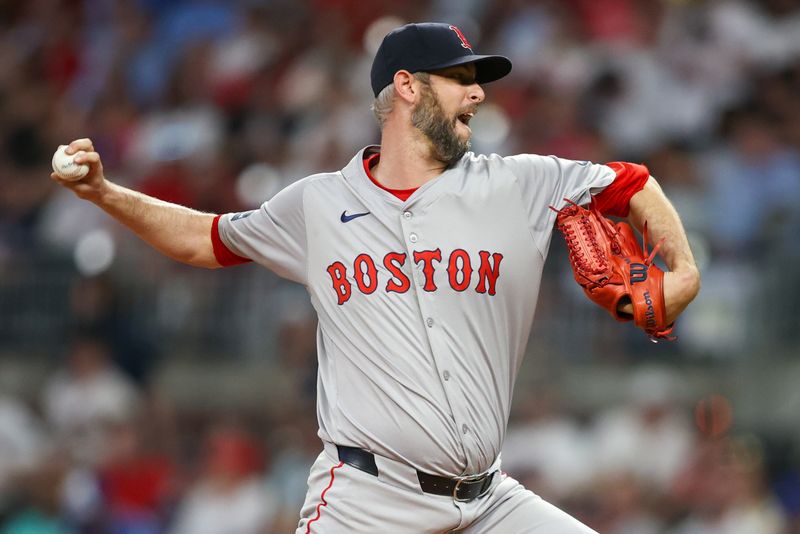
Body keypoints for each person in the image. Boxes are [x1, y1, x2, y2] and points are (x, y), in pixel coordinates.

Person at [52, 22, 700, 534]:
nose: (477, 93)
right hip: (366, 502)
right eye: (460, 80)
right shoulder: (316, 203)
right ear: (409, 88)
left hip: (490, 501)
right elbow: (205, 238)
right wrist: (107, 194)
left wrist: (683, 272)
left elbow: (631, 183)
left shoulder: (515, 184)